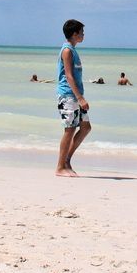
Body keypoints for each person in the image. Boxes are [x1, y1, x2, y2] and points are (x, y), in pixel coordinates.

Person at [55, 19, 90, 177]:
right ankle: (60, 167)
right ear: (74, 34)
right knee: (69, 130)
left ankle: (67, 160)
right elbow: (69, 76)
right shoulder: (67, 51)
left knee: (85, 127)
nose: (83, 34)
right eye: (81, 32)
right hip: (68, 96)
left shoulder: (73, 50)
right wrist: (80, 98)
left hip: (75, 95)